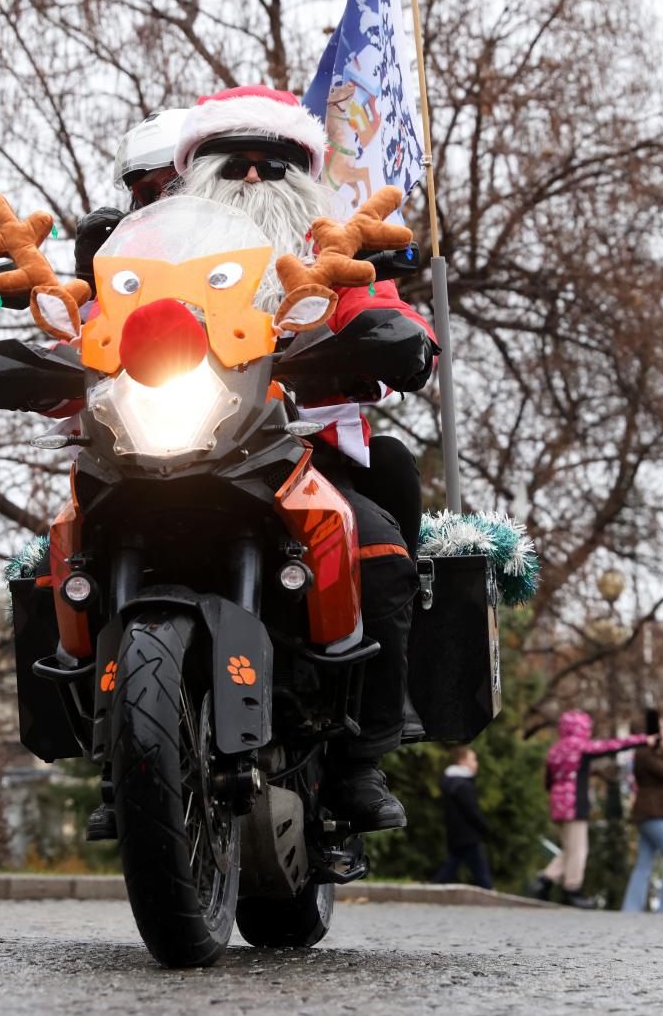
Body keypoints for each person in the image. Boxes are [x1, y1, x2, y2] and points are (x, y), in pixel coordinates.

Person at [172, 85, 438, 832]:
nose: (254, 176)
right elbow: (96, 320)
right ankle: (121, 755)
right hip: (171, 450)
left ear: (305, 174)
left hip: (302, 456)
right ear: (196, 172)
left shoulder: (334, 254)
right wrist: (57, 360)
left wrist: (397, 340)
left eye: (273, 160)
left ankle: (359, 762)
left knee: (377, 550)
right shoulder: (158, 258)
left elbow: (386, 311)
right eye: (234, 161)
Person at [534, 710, 653, 908]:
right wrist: (643, 740)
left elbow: (548, 780)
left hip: (557, 804)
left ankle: (544, 882)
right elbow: (611, 746)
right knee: (579, 849)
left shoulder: (555, 750)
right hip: (575, 803)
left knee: (569, 848)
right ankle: (571, 890)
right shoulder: (580, 746)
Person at [620, 720, 663, 915]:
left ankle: (631, 907)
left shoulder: (644, 754)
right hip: (654, 814)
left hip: (650, 813)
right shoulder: (645, 753)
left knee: (644, 863)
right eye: (662, 729)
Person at [432, 746, 493, 890]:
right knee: (481, 872)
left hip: (456, 835)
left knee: (451, 867)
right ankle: (490, 893)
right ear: (462, 762)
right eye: (473, 759)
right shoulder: (462, 785)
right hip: (468, 836)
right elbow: (471, 812)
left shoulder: (450, 782)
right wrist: (485, 828)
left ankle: (433, 889)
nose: (476, 763)